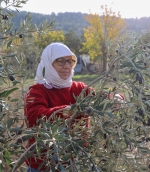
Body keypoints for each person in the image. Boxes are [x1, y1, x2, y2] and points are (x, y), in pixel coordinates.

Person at [24, 42, 93, 171]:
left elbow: (100, 99)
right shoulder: (37, 91)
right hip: (44, 164)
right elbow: (34, 117)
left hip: (76, 163)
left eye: (70, 61)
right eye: (60, 61)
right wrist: (65, 111)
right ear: (49, 63)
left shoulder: (80, 89)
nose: (67, 66)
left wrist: (116, 98)